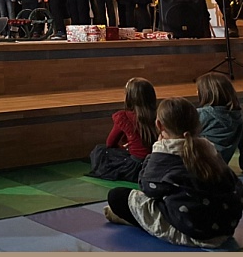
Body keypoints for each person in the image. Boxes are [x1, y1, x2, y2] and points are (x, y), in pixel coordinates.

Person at [103, 97, 243, 248]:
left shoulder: (165, 152)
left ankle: (135, 221)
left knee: (117, 196)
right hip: (224, 228)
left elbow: (147, 187)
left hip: (194, 231)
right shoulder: (209, 147)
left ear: (159, 125)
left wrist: (154, 152)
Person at [89, 77, 157, 182]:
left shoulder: (124, 117)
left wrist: (125, 148)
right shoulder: (159, 115)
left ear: (129, 97)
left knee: (100, 150)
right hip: (154, 164)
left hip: (135, 166)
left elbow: (110, 143)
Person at [195, 72, 243, 165]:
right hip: (221, 166)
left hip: (199, 166)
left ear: (206, 93)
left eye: (198, 90)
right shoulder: (238, 116)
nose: (197, 93)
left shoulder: (201, 114)